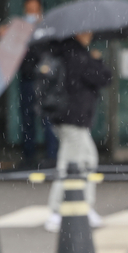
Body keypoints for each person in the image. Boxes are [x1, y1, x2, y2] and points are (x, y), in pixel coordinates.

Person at [44, 32, 112, 232]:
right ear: (76, 34)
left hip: (67, 117)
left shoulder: (64, 53)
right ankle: (57, 211)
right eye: (86, 32)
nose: (90, 35)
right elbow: (104, 78)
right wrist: (98, 60)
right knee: (72, 163)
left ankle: (83, 207)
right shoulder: (78, 56)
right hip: (74, 118)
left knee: (86, 159)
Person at [16, 0, 58, 169]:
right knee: (27, 120)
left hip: (44, 82)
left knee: (47, 120)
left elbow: (49, 54)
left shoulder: (47, 31)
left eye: (34, 10)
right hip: (26, 81)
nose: (31, 13)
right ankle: (29, 157)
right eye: (28, 10)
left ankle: (52, 157)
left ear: (41, 11)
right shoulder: (20, 30)